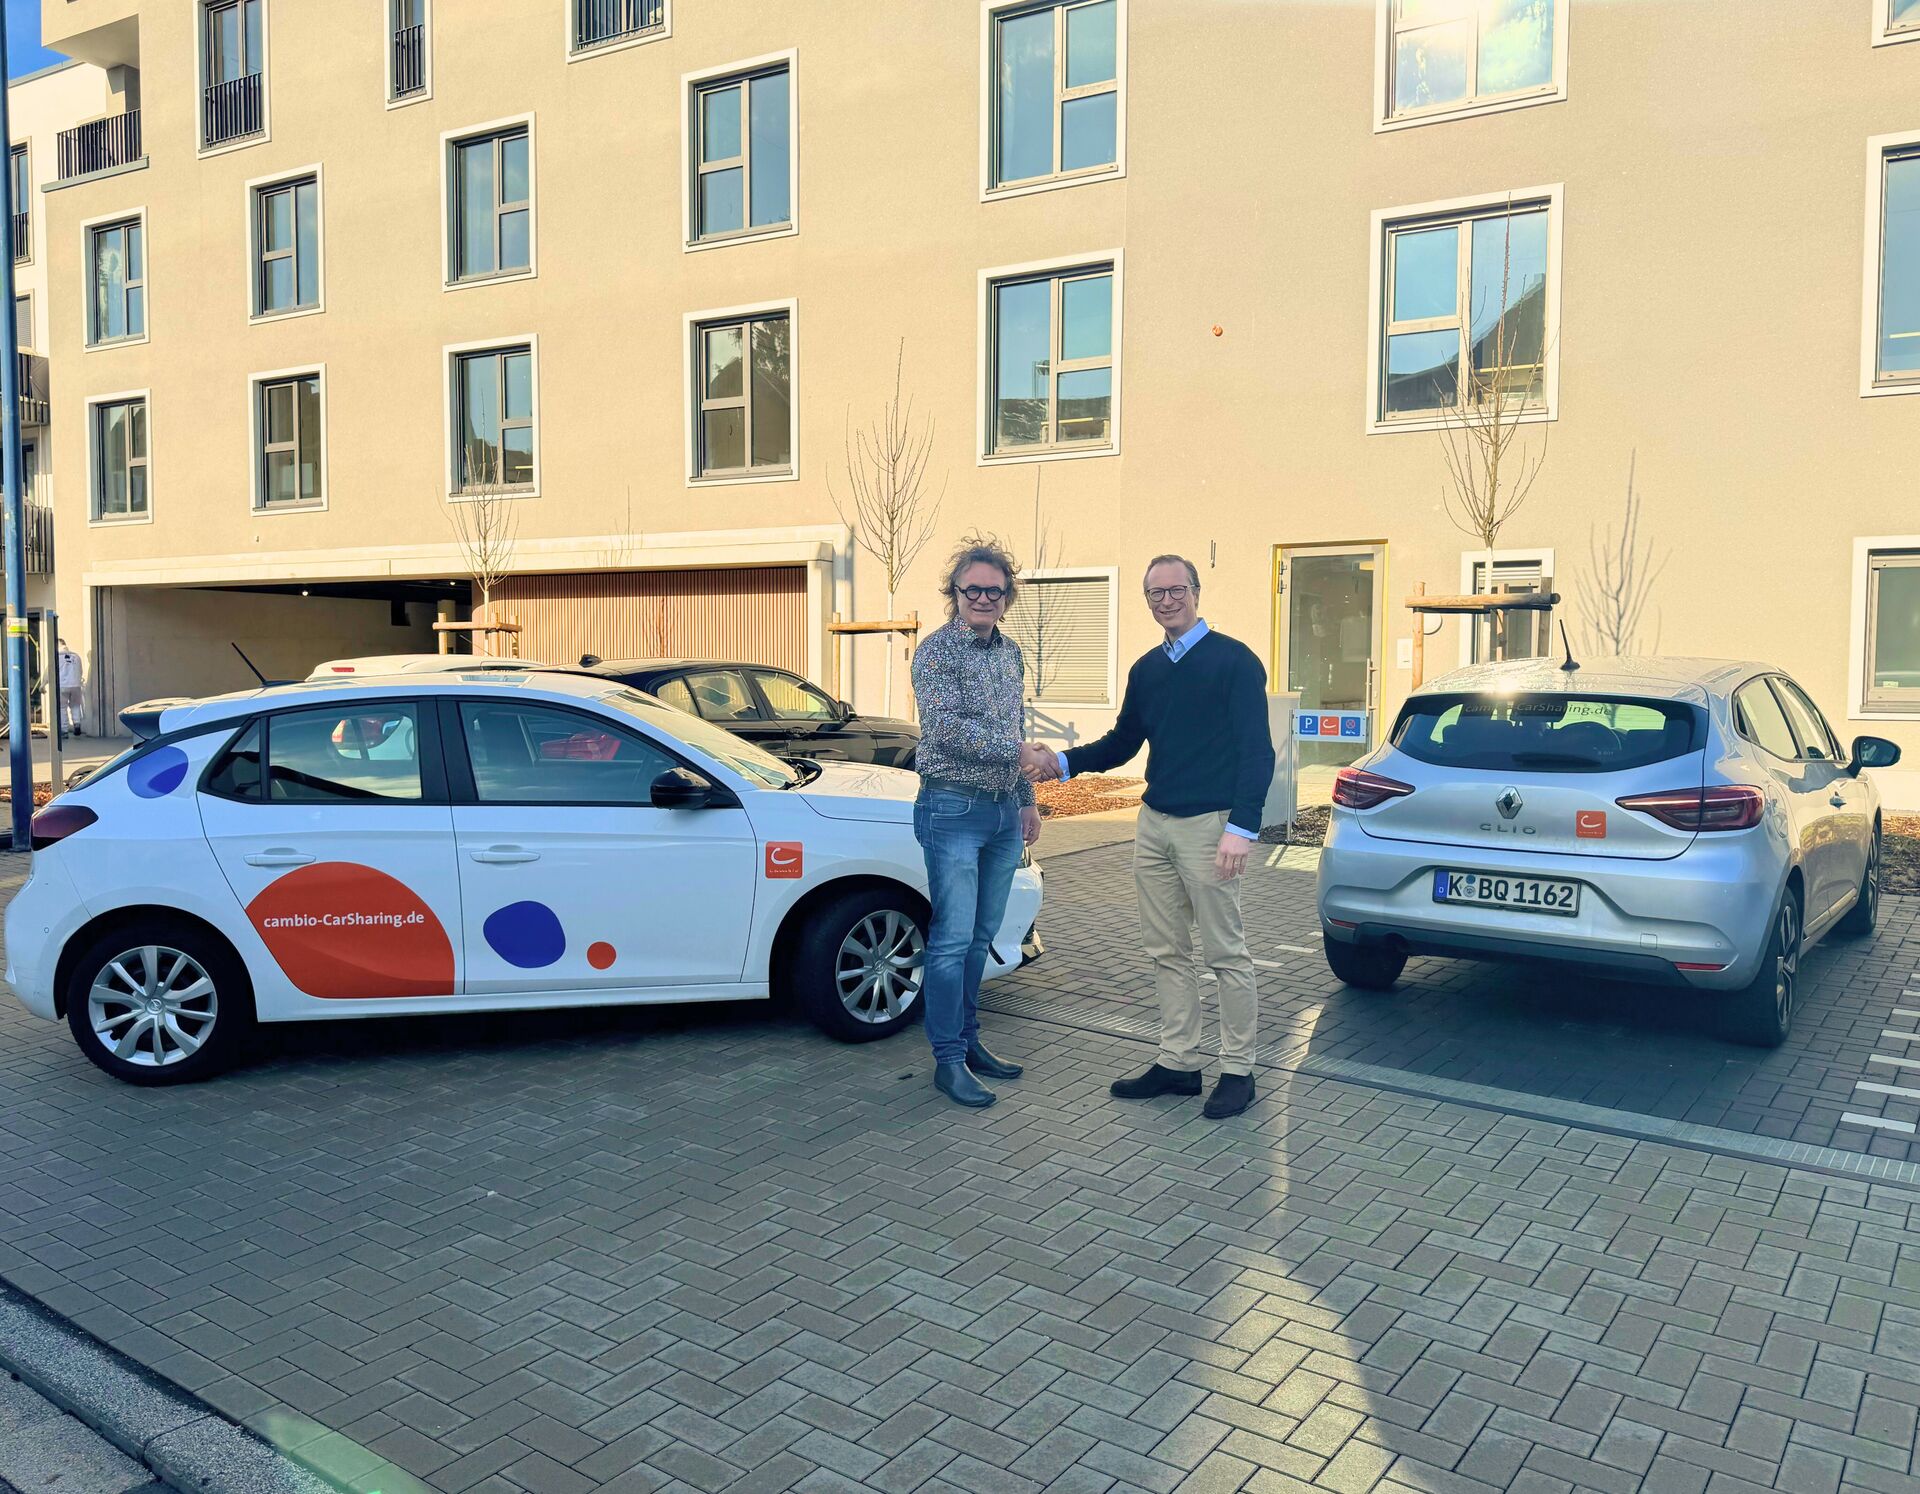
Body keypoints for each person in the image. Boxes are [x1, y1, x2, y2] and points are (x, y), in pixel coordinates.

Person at [1021, 555, 1274, 1119]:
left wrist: (1242, 827)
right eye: (1155, 593)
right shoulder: (1147, 669)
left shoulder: (1235, 661)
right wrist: (1059, 760)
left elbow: (1258, 751)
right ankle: (1179, 1062)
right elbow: (1122, 743)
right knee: (1166, 951)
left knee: (1225, 952)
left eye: (1175, 589)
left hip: (1212, 826)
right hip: (1154, 824)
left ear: (1196, 591)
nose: (1166, 601)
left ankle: (1239, 1070)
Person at [910, 538, 1042, 1109]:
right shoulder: (936, 653)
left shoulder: (1009, 653)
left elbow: (1013, 720)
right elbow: (947, 730)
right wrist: (1022, 751)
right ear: (955, 593)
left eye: (994, 590)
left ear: (1006, 596)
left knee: (981, 939)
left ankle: (970, 1041)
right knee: (951, 941)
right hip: (952, 810)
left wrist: (1026, 796)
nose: (983, 598)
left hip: (1000, 814)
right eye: (973, 590)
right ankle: (947, 1061)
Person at [55, 639, 84, 737]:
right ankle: (77, 723)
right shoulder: (76, 656)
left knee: (62, 707)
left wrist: (43, 684)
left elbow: (49, 672)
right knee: (75, 705)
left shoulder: (57, 657)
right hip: (76, 685)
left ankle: (64, 730)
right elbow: (81, 671)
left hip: (62, 685)